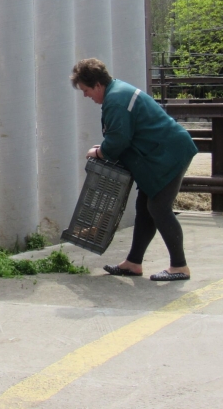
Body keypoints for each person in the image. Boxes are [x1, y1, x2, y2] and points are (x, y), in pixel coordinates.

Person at [70, 58, 198, 282]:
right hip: (160, 155)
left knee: (159, 209)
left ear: (98, 85)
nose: (86, 95)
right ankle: (133, 263)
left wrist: (100, 152)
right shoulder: (117, 92)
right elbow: (122, 134)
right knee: (145, 209)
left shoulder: (116, 100)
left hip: (169, 156)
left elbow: (118, 139)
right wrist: (105, 148)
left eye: (86, 90)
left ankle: (179, 266)